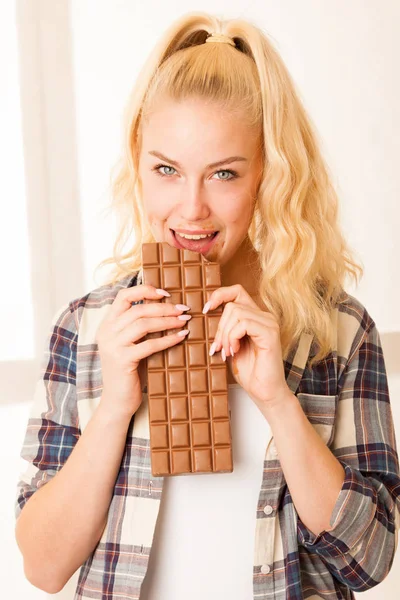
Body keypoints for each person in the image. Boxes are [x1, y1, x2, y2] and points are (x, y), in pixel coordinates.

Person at [14, 10, 399, 600]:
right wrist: (116, 407)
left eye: (223, 174)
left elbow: (370, 562)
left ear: (268, 175)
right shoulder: (86, 328)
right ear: (139, 161)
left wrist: (278, 401)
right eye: (167, 169)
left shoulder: (339, 332)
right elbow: (42, 567)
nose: (191, 209)